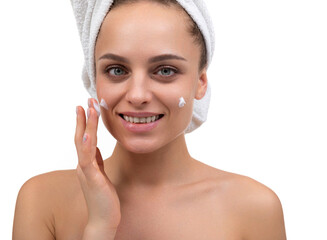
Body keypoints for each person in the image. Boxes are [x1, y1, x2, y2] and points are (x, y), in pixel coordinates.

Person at [12, 0, 286, 239]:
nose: (138, 95)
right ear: (94, 79)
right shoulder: (41, 202)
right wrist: (100, 227)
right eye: (117, 70)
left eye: (165, 70)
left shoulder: (255, 209)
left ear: (201, 82)